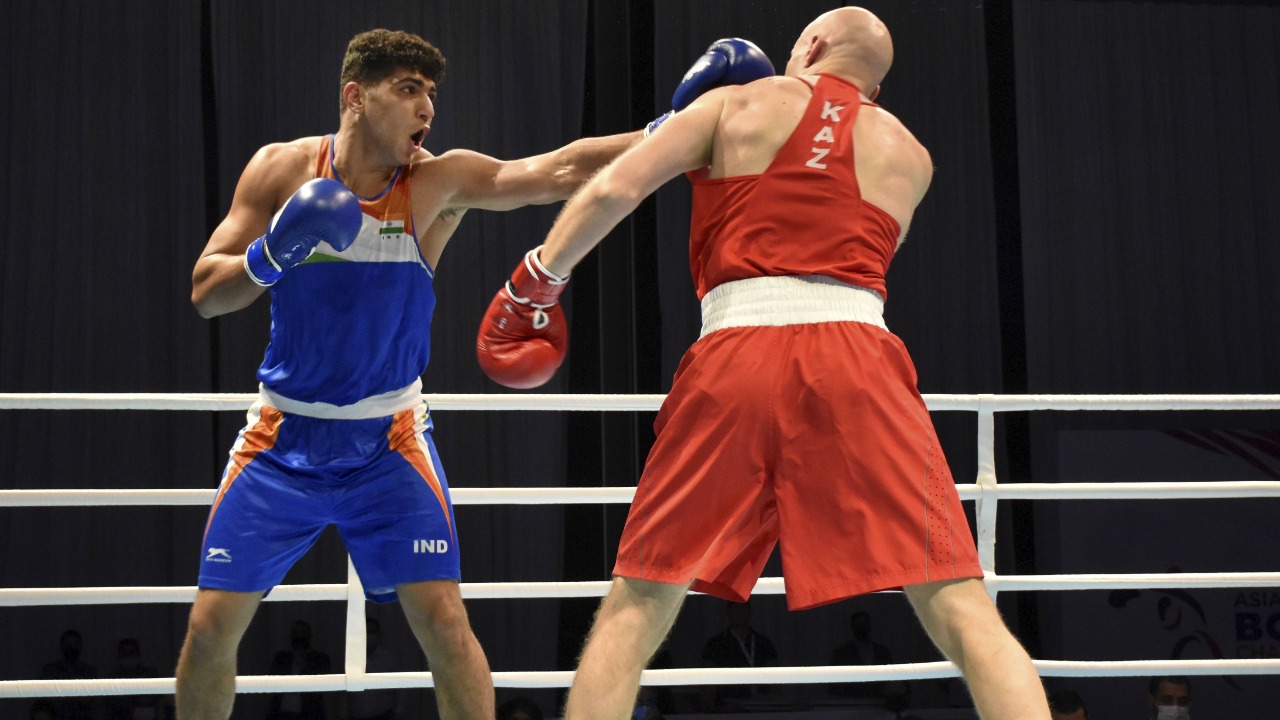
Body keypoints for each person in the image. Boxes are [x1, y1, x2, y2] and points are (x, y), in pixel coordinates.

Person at [178, 27, 774, 720]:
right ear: (354, 96)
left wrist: (680, 128)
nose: (426, 109)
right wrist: (273, 252)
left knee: (445, 627)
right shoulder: (280, 171)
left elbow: (552, 172)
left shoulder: (436, 182)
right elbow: (205, 293)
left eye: (431, 94)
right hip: (283, 440)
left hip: (387, 442)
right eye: (408, 90)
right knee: (210, 628)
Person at [477, 8, 1051, 720]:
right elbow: (840, 254)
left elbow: (614, 187)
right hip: (860, 359)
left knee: (638, 604)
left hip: (738, 352)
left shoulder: (737, 102)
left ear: (810, 45)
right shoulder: (913, 155)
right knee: (961, 607)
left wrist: (535, 281)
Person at [700, 600, 777, 707]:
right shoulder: (716, 644)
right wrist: (709, 710)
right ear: (728, 612)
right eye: (735, 610)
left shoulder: (763, 643)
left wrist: (773, 706)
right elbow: (708, 682)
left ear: (749, 612)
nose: (739, 613)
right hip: (727, 707)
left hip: (761, 706)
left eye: (742, 609)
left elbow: (774, 678)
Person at [829, 611, 905, 707]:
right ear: (852, 626)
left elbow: (891, 680)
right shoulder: (842, 653)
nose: (862, 627)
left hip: (881, 704)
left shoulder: (882, 651)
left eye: (864, 623)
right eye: (858, 624)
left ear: (869, 625)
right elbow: (833, 686)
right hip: (850, 705)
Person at [265, 621, 332, 720]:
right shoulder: (281, 658)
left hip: (310, 714)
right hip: (281, 714)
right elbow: (271, 681)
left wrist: (303, 664)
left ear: (309, 635)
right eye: (295, 633)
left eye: (302, 633)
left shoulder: (321, 659)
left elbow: (322, 686)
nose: (298, 637)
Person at [345, 617, 400, 720]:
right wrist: (342, 713)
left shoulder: (388, 659)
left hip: (384, 715)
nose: (368, 635)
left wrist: (398, 712)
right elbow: (343, 690)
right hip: (355, 716)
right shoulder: (351, 658)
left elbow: (399, 690)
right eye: (365, 631)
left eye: (372, 632)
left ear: (378, 634)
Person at [38, 629, 98, 720]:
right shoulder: (50, 670)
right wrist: (76, 694)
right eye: (67, 644)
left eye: (75, 644)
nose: (71, 647)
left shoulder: (89, 671)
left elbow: (90, 700)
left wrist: (62, 694)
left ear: (80, 647)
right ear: (61, 646)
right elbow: (46, 700)